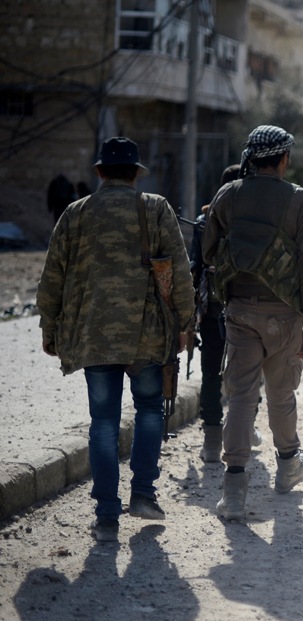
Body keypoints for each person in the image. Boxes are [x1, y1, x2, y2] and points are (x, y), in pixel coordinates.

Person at [37, 136, 195, 542]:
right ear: (136, 174)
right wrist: (184, 325)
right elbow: (178, 272)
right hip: (146, 335)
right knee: (147, 411)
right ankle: (142, 494)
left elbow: (52, 277)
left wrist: (49, 328)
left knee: (103, 422)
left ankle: (107, 515)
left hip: (92, 336)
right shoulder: (155, 208)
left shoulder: (74, 214)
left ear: (100, 172)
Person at [203, 125, 303, 521]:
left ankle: (233, 492)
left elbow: (208, 250)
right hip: (285, 315)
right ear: (284, 159)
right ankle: (288, 463)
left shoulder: (228, 194)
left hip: (239, 310)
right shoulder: (300, 200)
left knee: (240, 397)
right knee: (280, 392)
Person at [188, 164, 263, 463]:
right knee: (250, 372)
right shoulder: (255, 222)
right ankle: (244, 429)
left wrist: (189, 311)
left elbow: (195, 268)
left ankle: (211, 441)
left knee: (210, 372)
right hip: (246, 306)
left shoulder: (205, 221)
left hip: (212, 308)